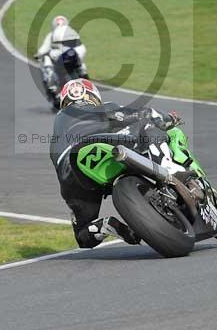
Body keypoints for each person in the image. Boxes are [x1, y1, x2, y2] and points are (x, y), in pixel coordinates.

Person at [49, 78, 182, 249]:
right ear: (93, 96)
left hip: (71, 172)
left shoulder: (58, 127)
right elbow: (139, 114)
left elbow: (57, 163)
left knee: (83, 237)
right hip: (101, 144)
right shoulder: (103, 107)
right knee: (147, 125)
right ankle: (170, 171)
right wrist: (168, 118)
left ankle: (106, 225)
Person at [33, 15, 88, 96]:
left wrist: (38, 55)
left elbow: (43, 49)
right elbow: (81, 47)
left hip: (62, 61)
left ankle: (53, 88)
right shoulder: (72, 33)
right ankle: (55, 87)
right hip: (69, 59)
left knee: (46, 60)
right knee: (80, 65)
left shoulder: (52, 35)